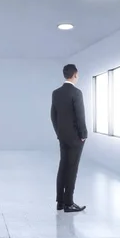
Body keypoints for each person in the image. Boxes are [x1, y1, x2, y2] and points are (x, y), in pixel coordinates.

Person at [51, 64, 87, 213]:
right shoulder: (76, 92)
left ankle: (60, 202)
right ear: (75, 75)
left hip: (62, 136)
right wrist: (83, 134)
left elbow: (53, 115)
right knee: (72, 169)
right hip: (75, 138)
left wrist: (58, 132)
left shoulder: (56, 93)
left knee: (63, 167)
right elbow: (80, 116)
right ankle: (69, 203)